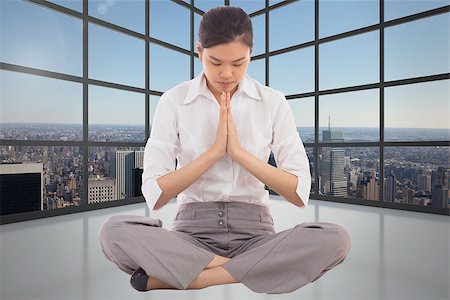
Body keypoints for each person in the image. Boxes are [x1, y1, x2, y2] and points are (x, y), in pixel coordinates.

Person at [98, 6, 351, 294]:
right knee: (113, 232)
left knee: (336, 238)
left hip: (256, 234)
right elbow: (155, 195)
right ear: (199, 52)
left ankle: (199, 275)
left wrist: (240, 154)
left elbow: (298, 191)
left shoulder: (272, 102)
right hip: (190, 234)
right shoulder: (174, 101)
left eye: (239, 63)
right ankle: (248, 268)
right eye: (215, 62)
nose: (227, 73)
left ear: (250, 55)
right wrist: (214, 153)